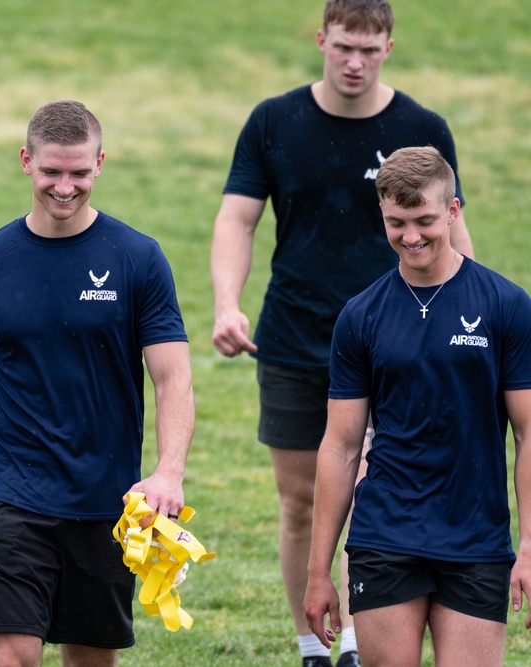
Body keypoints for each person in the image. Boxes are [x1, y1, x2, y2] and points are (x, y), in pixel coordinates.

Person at [209, 2, 473, 665]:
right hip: (295, 339)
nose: (355, 62)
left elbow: (449, 230)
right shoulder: (275, 121)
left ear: (390, 46)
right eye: (345, 47)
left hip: (396, 343)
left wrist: (479, 324)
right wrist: (225, 304)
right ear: (322, 40)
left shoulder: (421, 127)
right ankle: (311, 645)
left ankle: (356, 640)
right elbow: (237, 219)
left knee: (364, 490)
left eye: (370, 49)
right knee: (301, 501)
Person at [0, 100, 195, 667]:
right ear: (26, 161)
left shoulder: (138, 259)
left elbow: (172, 375)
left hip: (108, 502)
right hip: (12, 495)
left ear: (100, 164)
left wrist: (168, 471)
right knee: (11, 658)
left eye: (78, 173)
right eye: (51, 171)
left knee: (89, 661)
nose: (64, 186)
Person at [304, 145, 531, 665]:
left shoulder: (506, 306)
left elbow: (528, 432)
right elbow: (340, 447)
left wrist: (530, 546)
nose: (410, 237)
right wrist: (318, 574)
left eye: (425, 220)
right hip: (386, 534)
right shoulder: (360, 316)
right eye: (396, 222)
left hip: (477, 538)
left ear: (452, 211)